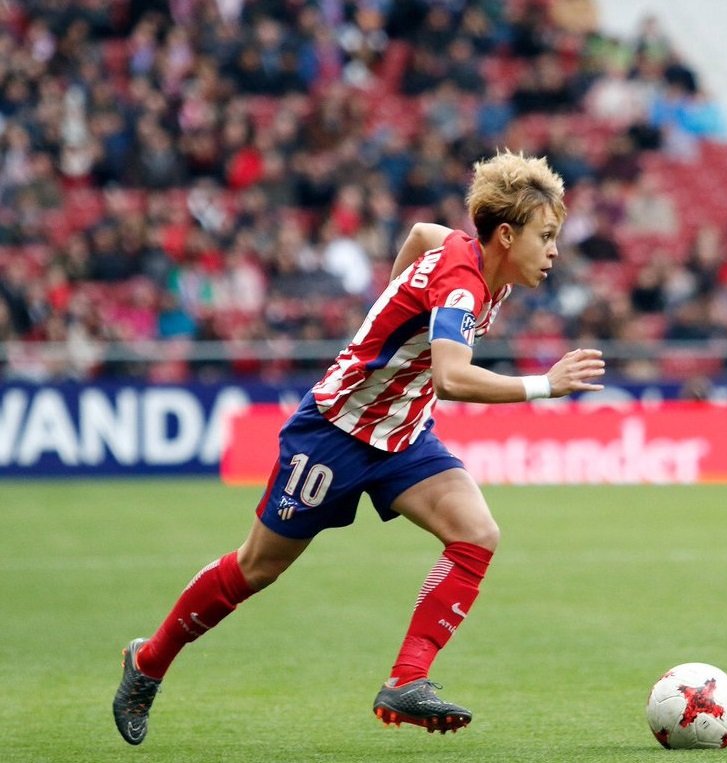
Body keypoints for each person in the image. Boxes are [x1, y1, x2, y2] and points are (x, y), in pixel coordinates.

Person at [112, 150, 605, 744]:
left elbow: (422, 233)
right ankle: (148, 662)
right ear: (506, 234)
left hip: (401, 433)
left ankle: (407, 679)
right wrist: (544, 385)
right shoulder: (462, 286)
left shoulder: (470, 256)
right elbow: (451, 376)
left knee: (477, 533)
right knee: (256, 568)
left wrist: (392, 296)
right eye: (546, 236)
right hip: (335, 433)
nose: (554, 251)